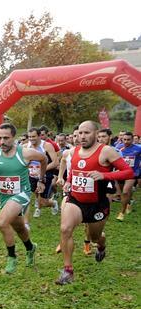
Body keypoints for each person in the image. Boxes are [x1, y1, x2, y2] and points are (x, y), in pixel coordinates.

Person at [55, 121, 134, 285]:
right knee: (65, 228)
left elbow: (128, 171)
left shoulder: (106, 151)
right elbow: (75, 171)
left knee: (95, 237)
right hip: (75, 199)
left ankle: (101, 246)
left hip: (97, 204)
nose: (82, 137)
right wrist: (69, 181)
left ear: (96, 133)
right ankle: (68, 271)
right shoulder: (75, 151)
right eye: (80, 133)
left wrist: (104, 176)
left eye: (87, 133)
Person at [0, 123, 48, 274]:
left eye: (6, 138)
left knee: (2, 222)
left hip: (22, 194)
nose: (2, 141)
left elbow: (43, 159)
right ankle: (30, 248)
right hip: (3, 196)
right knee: (20, 228)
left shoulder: (25, 153)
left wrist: (42, 179)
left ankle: (12, 258)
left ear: (14, 138)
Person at [23, 127, 59, 227]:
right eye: (29, 137)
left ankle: (53, 203)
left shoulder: (47, 146)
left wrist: (42, 170)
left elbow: (55, 162)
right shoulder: (26, 146)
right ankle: (36, 209)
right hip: (31, 174)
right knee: (34, 193)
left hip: (46, 174)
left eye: (33, 136)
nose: (31, 139)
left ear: (39, 136)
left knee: (43, 201)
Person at [116, 131, 140, 221]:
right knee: (124, 193)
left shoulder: (138, 148)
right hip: (121, 173)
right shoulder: (118, 148)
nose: (126, 141)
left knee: (125, 192)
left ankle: (122, 213)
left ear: (133, 140)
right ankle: (128, 203)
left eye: (128, 140)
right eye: (124, 139)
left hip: (132, 173)